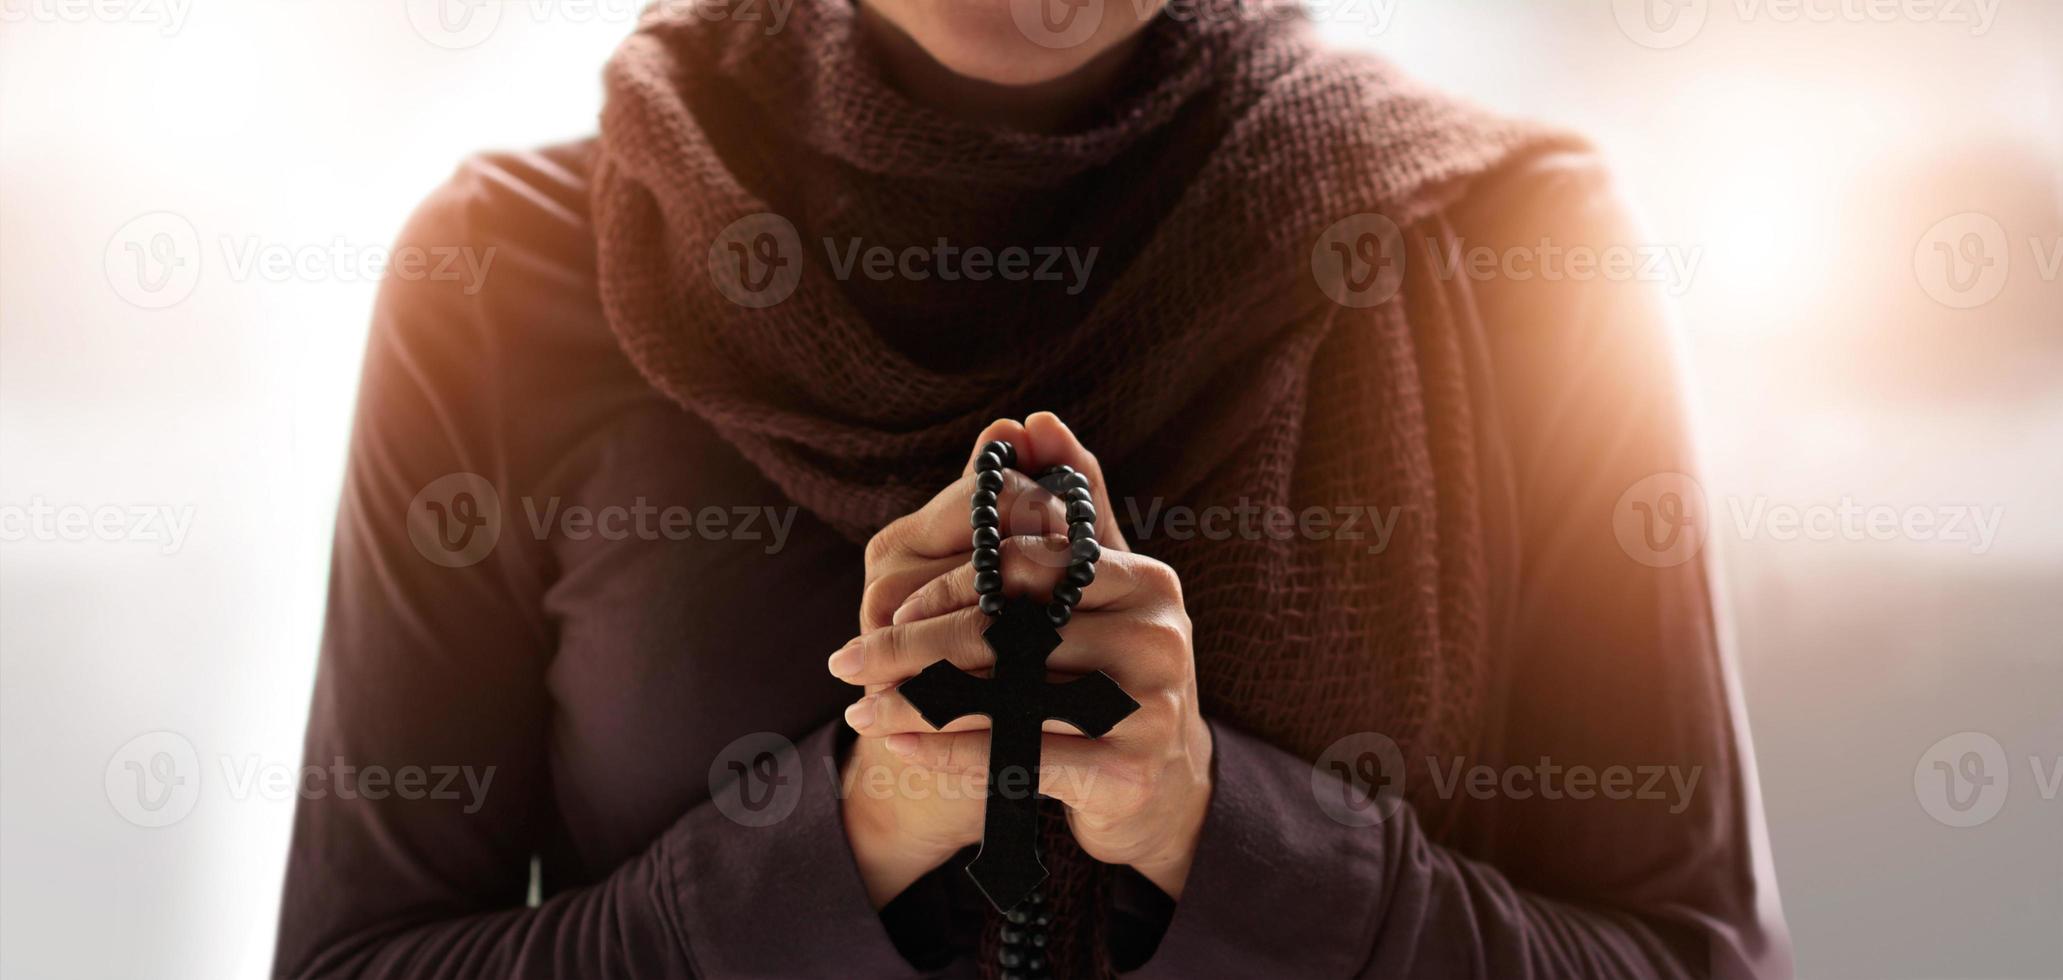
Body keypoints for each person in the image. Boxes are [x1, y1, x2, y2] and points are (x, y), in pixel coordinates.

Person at [274, 0, 1790, 975]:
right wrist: (835, 842)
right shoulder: (511, 271)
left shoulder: (1516, 246)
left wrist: (1224, 829)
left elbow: (1701, 959)